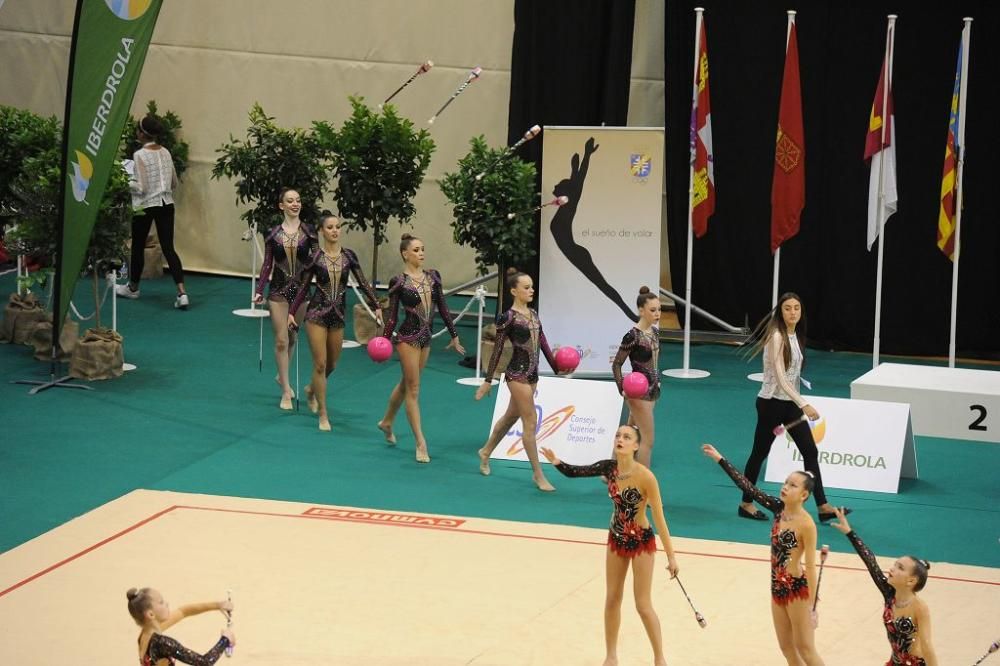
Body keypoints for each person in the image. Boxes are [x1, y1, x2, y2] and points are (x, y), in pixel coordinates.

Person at [541, 425, 679, 666]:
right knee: (612, 598)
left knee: (643, 605)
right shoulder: (609, 467)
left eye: (627, 437)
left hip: (640, 541)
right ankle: (611, 656)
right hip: (616, 538)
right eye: (618, 436)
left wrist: (671, 556)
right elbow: (577, 472)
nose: (620, 440)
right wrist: (557, 462)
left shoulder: (646, 476)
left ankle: (659, 658)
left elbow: (659, 517)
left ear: (636, 446)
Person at [701, 443, 824, 666]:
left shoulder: (807, 524)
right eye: (786, 482)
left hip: (796, 589)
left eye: (793, 485)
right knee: (786, 648)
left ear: (804, 494)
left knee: (805, 649)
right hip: (776, 587)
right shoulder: (778, 508)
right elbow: (748, 486)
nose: (785, 487)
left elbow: (812, 566)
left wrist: (813, 605)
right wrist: (720, 459)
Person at [738, 292, 849, 523]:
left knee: (810, 451)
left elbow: (793, 376)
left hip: (789, 405)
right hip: (770, 404)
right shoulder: (776, 336)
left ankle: (823, 506)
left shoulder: (795, 335)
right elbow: (780, 377)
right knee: (760, 453)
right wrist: (804, 403)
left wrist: (798, 400)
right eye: (788, 308)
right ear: (781, 311)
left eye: (796, 308)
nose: (793, 313)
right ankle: (745, 504)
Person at [289, 212, 381, 431]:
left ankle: (312, 388)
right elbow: (303, 288)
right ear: (321, 231)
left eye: (337, 227)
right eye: (329, 227)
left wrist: (376, 304)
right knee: (320, 364)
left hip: (338, 315)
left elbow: (363, 282)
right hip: (317, 314)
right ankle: (323, 413)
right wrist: (292, 311)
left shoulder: (349, 256)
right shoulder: (315, 258)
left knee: (331, 365)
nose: (334, 230)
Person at [377, 233, 465, 462]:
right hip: (407, 338)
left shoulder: (433, 277)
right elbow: (393, 317)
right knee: (414, 389)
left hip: (426, 338)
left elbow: (443, 308)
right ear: (405, 254)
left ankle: (386, 421)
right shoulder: (399, 282)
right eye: (416, 250)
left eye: (422, 249)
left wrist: (454, 335)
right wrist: (384, 341)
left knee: (406, 384)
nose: (421, 253)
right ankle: (420, 442)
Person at [475, 269, 565, 491]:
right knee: (530, 421)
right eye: (526, 287)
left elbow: (542, 342)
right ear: (514, 291)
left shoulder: (533, 314)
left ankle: (485, 451)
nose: (531, 290)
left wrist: (556, 368)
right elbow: (497, 350)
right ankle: (538, 474)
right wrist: (488, 380)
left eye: (532, 286)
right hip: (516, 374)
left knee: (510, 417)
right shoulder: (508, 317)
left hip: (532, 374)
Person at [829, 509, 939, 665]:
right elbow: (871, 562)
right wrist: (850, 533)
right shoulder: (889, 594)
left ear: (911, 581)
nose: (892, 568)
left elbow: (927, 646)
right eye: (895, 564)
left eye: (900, 568)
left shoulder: (920, 608)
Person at [252, 187, 317, 410]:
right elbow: (268, 263)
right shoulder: (273, 234)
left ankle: (282, 375)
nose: (295, 204)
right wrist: (260, 289)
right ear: (281, 205)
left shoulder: (309, 233)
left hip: (301, 292)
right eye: (290, 201)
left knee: (292, 337)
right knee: (281, 340)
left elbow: (316, 261)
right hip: (278, 291)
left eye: (298, 200)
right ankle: (286, 391)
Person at [116, 114, 188, 309]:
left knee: (138, 246)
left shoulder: (139, 155)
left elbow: (141, 187)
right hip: (167, 203)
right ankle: (182, 293)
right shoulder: (166, 152)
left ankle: (133, 288)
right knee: (168, 248)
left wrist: (124, 179)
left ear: (142, 134)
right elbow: (173, 183)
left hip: (145, 205)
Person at [611, 286, 662, 466]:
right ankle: (643, 482)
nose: (657, 314)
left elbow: (654, 362)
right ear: (641, 311)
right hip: (638, 392)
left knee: (629, 428)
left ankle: (611, 467)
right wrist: (621, 388)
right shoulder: (632, 335)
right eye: (653, 310)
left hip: (653, 390)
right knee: (647, 441)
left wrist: (658, 381)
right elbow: (617, 363)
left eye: (659, 310)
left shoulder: (655, 332)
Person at [126, 587, 235, 666]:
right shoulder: (162, 643)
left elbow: (183, 612)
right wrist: (225, 640)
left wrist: (218, 605)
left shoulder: (145, 634)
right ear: (151, 614)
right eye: (161, 602)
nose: (167, 603)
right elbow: (204, 662)